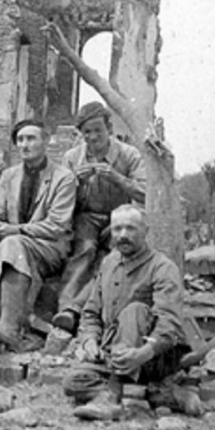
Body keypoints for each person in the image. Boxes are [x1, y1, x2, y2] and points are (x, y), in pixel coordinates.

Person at [64, 204, 188, 421]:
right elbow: (91, 311)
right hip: (116, 354)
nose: (122, 235)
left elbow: (170, 324)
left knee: (134, 311)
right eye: (116, 229)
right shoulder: (109, 263)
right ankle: (155, 395)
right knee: (72, 382)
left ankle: (111, 397)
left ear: (145, 231)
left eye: (130, 228)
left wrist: (143, 353)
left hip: (154, 356)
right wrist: (90, 341)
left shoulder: (162, 267)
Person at [0, 119, 77, 346]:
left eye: (31, 138)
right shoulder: (9, 175)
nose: (25, 145)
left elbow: (57, 225)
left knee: (13, 244)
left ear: (46, 141)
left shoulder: (63, 178)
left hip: (49, 247)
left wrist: (12, 230)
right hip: (15, 238)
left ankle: (9, 326)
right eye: (20, 140)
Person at [55, 102, 146, 334]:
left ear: (109, 128)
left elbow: (146, 194)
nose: (93, 137)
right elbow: (58, 198)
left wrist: (118, 179)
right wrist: (75, 181)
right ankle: (65, 309)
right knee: (84, 250)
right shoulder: (72, 157)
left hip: (119, 218)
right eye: (87, 132)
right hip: (86, 217)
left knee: (113, 258)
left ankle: (78, 309)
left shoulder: (129, 154)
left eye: (98, 130)